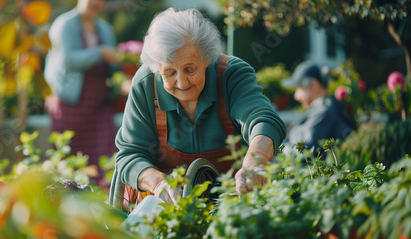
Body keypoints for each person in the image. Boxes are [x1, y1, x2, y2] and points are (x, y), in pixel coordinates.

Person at [113, 8, 286, 205]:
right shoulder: (145, 85)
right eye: (169, 72)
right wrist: (158, 183)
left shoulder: (231, 75)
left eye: (189, 69)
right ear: (157, 68)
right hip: (172, 211)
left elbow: (264, 120)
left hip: (239, 204)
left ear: (206, 58)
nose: (182, 82)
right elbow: (130, 154)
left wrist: (257, 160)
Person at [44, 0, 119, 168]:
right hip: (71, 105)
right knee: (71, 162)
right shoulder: (64, 24)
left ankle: (105, 194)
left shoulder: (105, 29)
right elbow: (68, 61)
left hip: (100, 106)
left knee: (106, 158)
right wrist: (100, 52)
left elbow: (113, 66)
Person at [281, 61, 353, 150]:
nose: (296, 96)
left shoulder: (324, 113)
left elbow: (305, 149)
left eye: (299, 88)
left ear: (313, 85)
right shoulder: (322, 110)